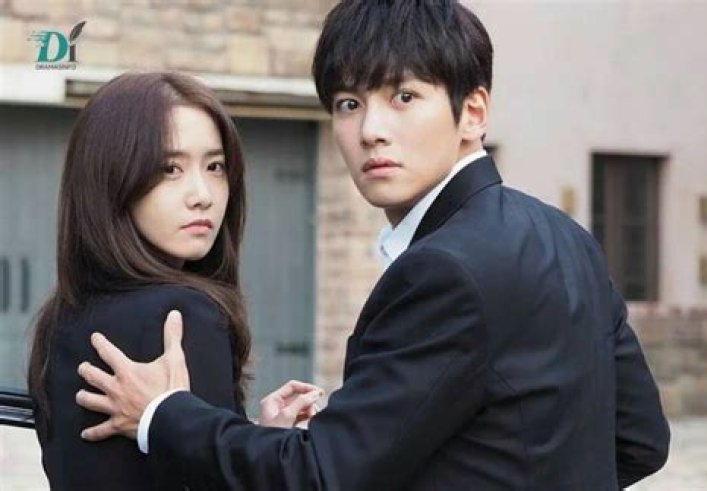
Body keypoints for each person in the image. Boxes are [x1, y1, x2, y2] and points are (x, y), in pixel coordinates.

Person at [76, 2, 670, 490]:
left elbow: (319, 476)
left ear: (473, 112)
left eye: (403, 97)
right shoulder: (566, 235)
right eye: (349, 104)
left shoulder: (444, 269)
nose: (371, 130)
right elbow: (640, 440)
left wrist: (162, 414)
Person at [28, 71, 322, 490]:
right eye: (170, 168)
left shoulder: (61, 318)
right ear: (113, 179)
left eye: (215, 166)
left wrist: (256, 438)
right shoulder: (182, 314)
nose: (202, 194)